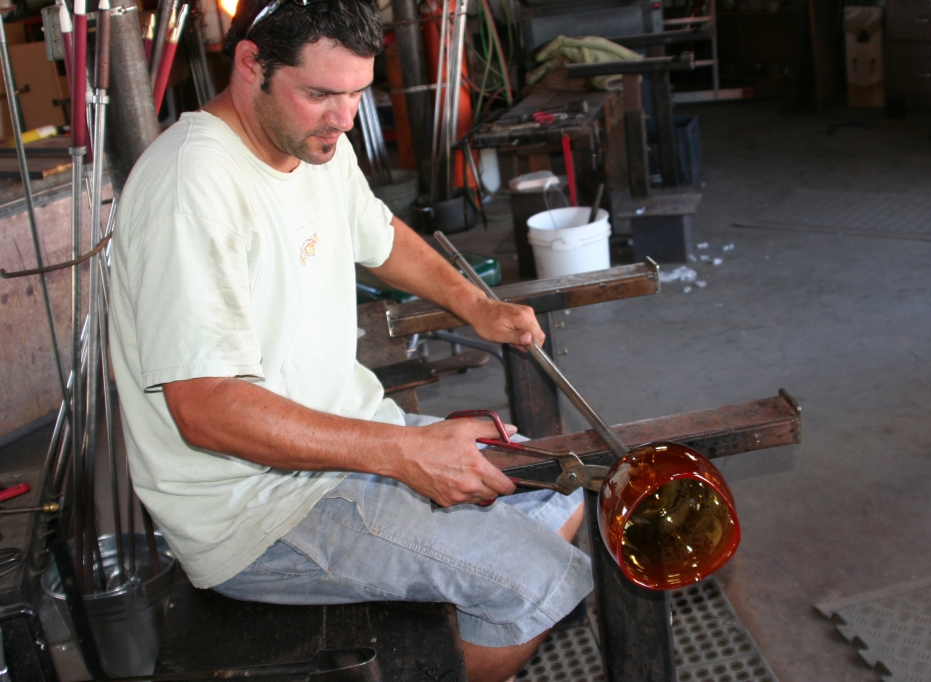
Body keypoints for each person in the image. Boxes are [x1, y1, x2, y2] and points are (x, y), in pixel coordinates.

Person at [106, 0, 592, 679]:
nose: (343, 117)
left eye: (358, 94)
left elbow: (381, 235)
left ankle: (445, 599)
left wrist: (475, 305)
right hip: (260, 510)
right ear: (251, 65)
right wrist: (403, 454)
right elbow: (205, 406)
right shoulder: (192, 184)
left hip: (352, 439)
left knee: (559, 489)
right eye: (320, 94)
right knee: (541, 579)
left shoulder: (311, 144)